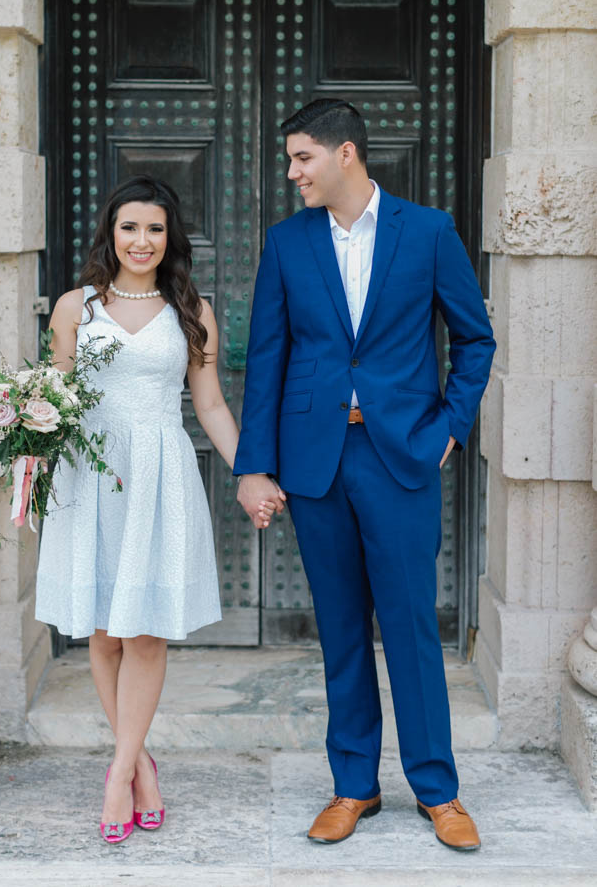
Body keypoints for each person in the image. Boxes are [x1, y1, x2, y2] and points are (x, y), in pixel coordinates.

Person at [235, 99, 496, 852]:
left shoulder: (429, 232)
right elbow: (268, 361)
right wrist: (256, 464)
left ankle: (438, 791)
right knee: (342, 630)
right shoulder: (287, 244)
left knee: (412, 627)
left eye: (301, 159)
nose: (292, 174)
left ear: (345, 153)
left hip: (401, 455)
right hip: (316, 461)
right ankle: (353, 785)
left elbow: (474, 340)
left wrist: (449, 427)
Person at [35, 175, 284, 844]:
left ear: (169, 237)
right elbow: (51, 398)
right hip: (89, 474)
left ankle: (118, 773)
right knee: (103, 629)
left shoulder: (192, 309)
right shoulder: (74, 309)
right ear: (109, 233)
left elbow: (209, 406)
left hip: (159, 474)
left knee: (144, 630)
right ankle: (140, 760)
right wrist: (25, 450)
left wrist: (251, 473)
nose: (141, 241)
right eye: (129, 227)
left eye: (154, 229)